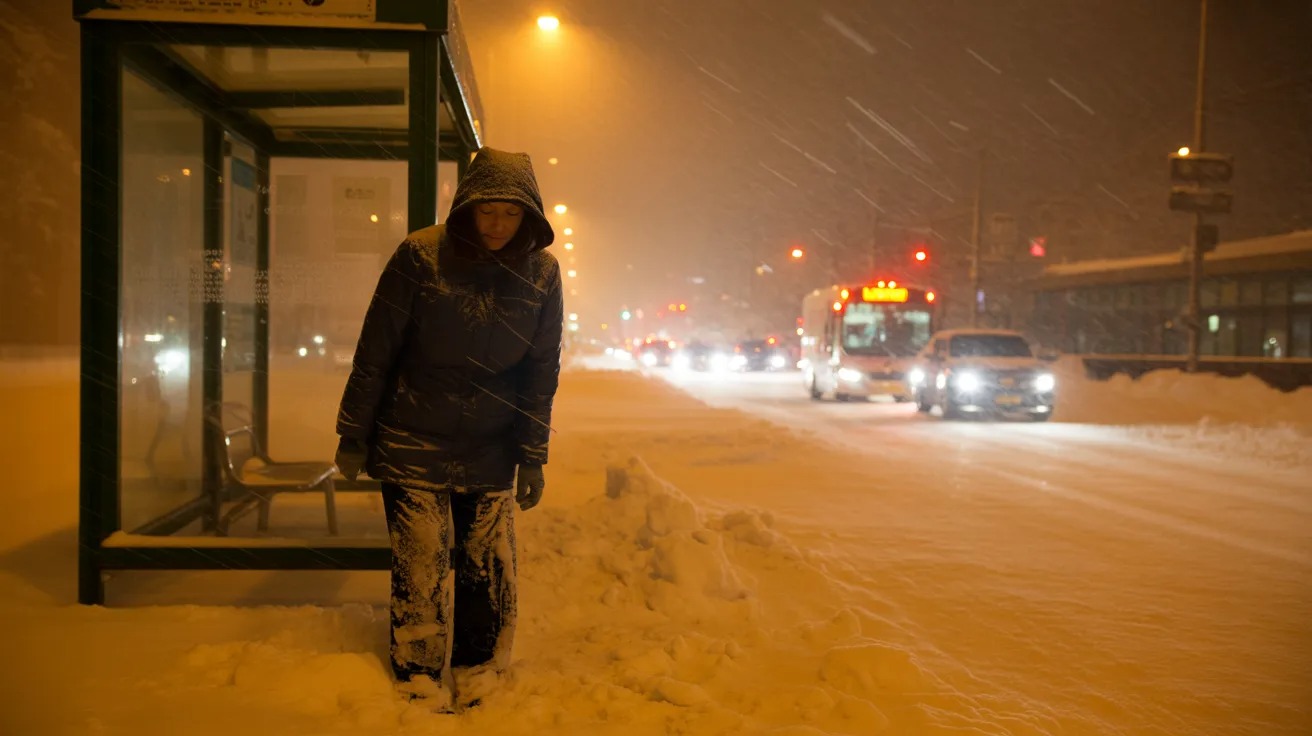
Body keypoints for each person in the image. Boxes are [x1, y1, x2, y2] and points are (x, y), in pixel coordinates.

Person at [334, 147, 564, 711]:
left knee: (485, 568)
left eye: (511, 214)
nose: (497, 225)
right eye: (488, 210)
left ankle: (478, 668)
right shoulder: (421, 255)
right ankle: (418, 674)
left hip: (491, 445)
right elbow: (376, 350)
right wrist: (353, 432)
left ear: (528, 215)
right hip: (412, 434)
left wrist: (532, 454)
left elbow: (541, 369)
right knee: (420, 562)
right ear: (466, 205)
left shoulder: (542, 272)